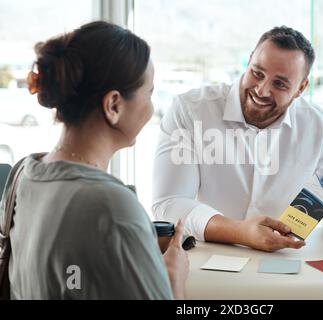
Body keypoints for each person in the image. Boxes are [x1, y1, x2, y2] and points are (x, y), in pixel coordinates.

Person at [0, 21, 188, 299]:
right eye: (148, 93)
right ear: (114, 105)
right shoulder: (112, 206)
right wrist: (174, 280)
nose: (152, 107)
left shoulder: (23, 173)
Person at [152, 26, 323, 252]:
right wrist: (240, 232)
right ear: (249, 63)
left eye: (280, 84)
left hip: (283, 263)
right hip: (206, 261)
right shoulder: (191, 110)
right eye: (257, 73)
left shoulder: (313, 124)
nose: (262, 90)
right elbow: (169, 202)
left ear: (300, 88)